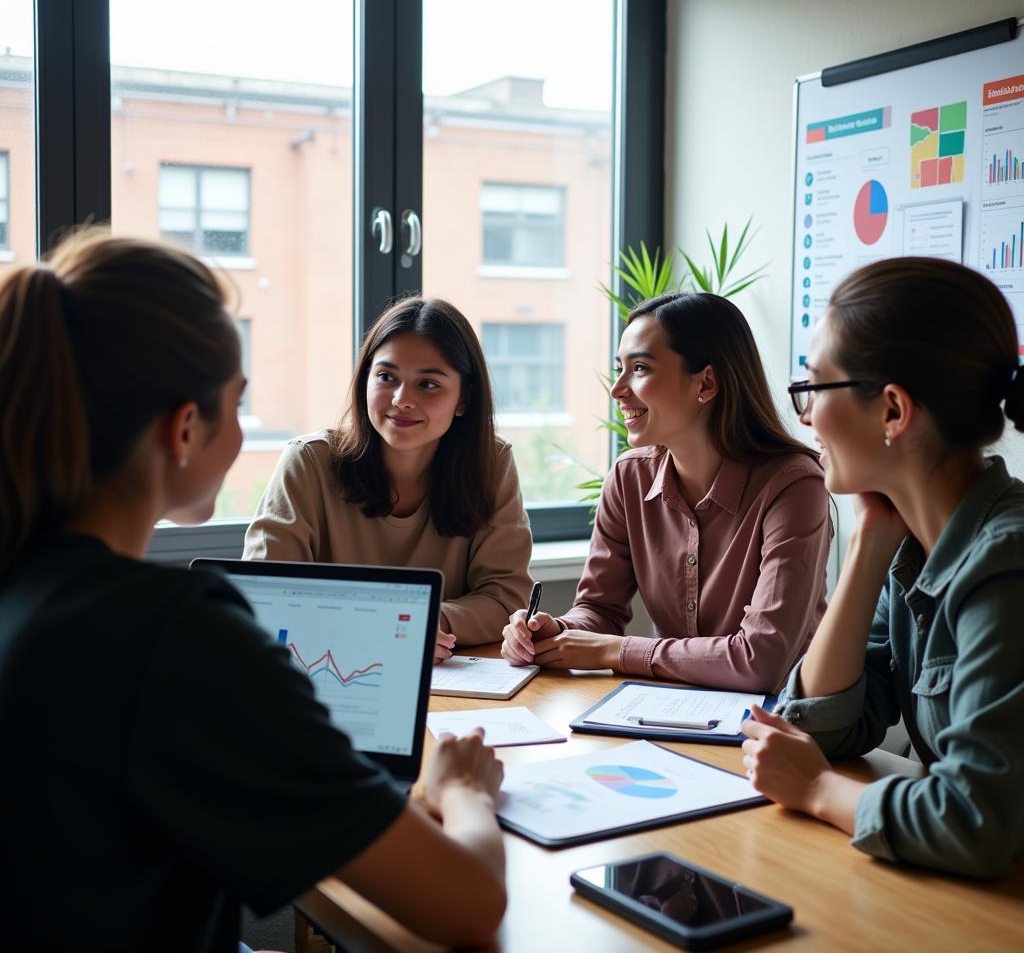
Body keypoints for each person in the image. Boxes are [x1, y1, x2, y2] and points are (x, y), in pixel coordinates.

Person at [0, 233, 506, 951]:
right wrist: (463, 790)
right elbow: (470, 905)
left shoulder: (27, 580)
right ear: (184, 429)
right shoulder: (178, 639)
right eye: (237, 406)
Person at [740, 256, 1024, 879]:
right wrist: (870, 542)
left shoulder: (1006, 562)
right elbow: (819, 727)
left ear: (893, 411)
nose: (805, 414)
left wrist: (819, 790)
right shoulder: (914, 542)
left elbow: (978, 819)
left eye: (814, 386)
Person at [502, 291, 831, 691]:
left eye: (639, 368)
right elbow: (599, 610)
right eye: (619, 368)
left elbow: (761, 660)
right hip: (671, 710)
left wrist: (614, 651)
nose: (617, 389)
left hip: (779, 721)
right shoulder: (628, 478)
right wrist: (554, 632)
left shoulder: (794, 486)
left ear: (706, 383)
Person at [244, 296, 533, 663]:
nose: (401, 399)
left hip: (449, 676)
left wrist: (428, 624)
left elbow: (505, 596)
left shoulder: (491, 463)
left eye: (428, 384)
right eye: (386, 377)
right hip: (326, 671)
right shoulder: (308, 462)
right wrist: (394, 628)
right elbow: (266, 595)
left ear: (464, 400)